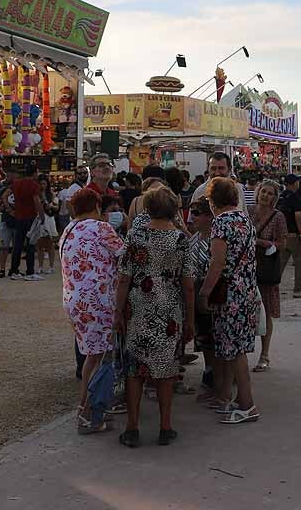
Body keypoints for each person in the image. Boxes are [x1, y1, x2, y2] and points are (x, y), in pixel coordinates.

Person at [115, 186, 194, 447]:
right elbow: (188, 284)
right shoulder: (181, 240)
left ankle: (132, 427)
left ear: (147, 208)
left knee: (135, 370)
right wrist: (190, 318)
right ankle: (165, 426)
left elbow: (124, 278)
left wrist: (117, 312)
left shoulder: (136, 236)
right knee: (166, 369)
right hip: (170, 309)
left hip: (138, 306)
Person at [60, 188, 125, 435]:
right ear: (97, 206)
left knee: (91, 354)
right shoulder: (101, 229)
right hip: (98, 301)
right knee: (100, 357)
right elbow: (125, 254)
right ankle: (89, 414)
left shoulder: (68, 230)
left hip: (74, 300)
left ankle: (85, 406)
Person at [200, 177, 260, 424]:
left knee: (234, 353)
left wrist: (204, 292)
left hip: (229, 294)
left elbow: (218, 262)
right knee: (236, 349)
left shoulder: (221, 223)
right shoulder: (244, 219)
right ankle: (234, 399)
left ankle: (247, 404)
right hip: (246, 290)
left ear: (213, 201)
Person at [249, 181, 286, 372]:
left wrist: (262, 242)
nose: (265, 195)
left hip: (266, 269)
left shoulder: (278, 217)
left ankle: (264, 355)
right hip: (247, 268)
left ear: (274, 197)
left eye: (270, 193)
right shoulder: (248, 211)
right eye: (263, 191)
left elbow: (282, 242)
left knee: (266, 312)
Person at [186, 199, 218, 396]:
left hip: (212, 296)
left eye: (196, 213)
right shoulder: (195, 237)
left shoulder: (216, 239)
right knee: (204, 340)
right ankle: (209, 372)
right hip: (197, 296)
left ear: (209, 216)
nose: (192, 217)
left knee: (214, 340)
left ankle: (217, 379)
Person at [277, 174, 301, 297]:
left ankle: (273, 286)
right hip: (294, 235)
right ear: (292, 183)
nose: (298, 184)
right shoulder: (296, 198)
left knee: (280, 263)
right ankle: (298, 290)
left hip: (283, 235)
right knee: (300, 262)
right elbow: (298, 216)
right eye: (297, 181)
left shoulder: (281, 197)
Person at [6, 166, 43, 280]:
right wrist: (41, 215)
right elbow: (36, 201)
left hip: (18, 217)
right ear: (34, 173)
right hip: (30, 217)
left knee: (18, 244)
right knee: (30, 244)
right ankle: (30, 271)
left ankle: (14, 270)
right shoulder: (34, 185)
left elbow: (4, 196)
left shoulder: (16, 184)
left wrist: (10, 210)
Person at [34, 175, 59, 276]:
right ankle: (40, 266)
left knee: (49, 244)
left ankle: (51, 266)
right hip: (38, 218)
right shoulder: (36, 195)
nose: (42, 185)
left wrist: (51, 205)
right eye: (41, 183)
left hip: (48, 218)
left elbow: (57, 207)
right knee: (39, 244)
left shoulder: (51, 194)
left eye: (44, 183)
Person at [56, 167, 88, 234]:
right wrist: (75, 219)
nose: (83, 175)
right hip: (78, 220)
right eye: (80, 173)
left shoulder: (85, 186)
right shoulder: (73, 188)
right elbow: (68, 204)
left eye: (85, 173)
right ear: (76, 175)